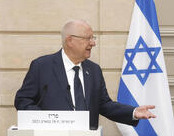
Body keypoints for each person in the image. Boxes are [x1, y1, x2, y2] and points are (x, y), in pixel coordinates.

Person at [15, 19, 156, 129]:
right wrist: (47, 120)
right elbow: (22, 100)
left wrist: (133, 112)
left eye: (93, 38)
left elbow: (104, 104)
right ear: (70, 40)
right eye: (88, 38)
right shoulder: (42, 66)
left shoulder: (94, 70)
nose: (93, 43)